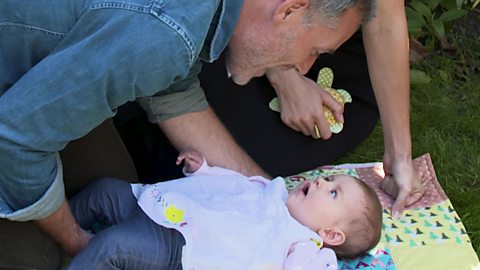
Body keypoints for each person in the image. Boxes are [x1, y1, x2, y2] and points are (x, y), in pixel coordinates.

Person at [0, 0, 374, 264]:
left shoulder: (202, 17)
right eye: (315, 51)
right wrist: (77, 241)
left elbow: (174, 93)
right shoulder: (168, 32)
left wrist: (269, 203)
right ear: (290, 9)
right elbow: (14, 141)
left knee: (113, 187)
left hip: (30, 75)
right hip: (12, 124)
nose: (304, 66)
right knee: (38, 257)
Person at [196, 0, 426, 219]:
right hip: (252, 29)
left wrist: (399, 155)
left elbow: (385, 21)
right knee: (204, 149)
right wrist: (285, 77)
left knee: (347, 113)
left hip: (318, 30)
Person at [66, 150, 382, 269]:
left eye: (333, 192)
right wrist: (204, 170)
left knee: (114, 245)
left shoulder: (304, 246)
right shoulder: (270, 192)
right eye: (328, 178)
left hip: (179, 249)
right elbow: (231, 185)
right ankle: (45, 226)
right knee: (104, 190)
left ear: (330, 234)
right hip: (164, 207)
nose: (320, 182)